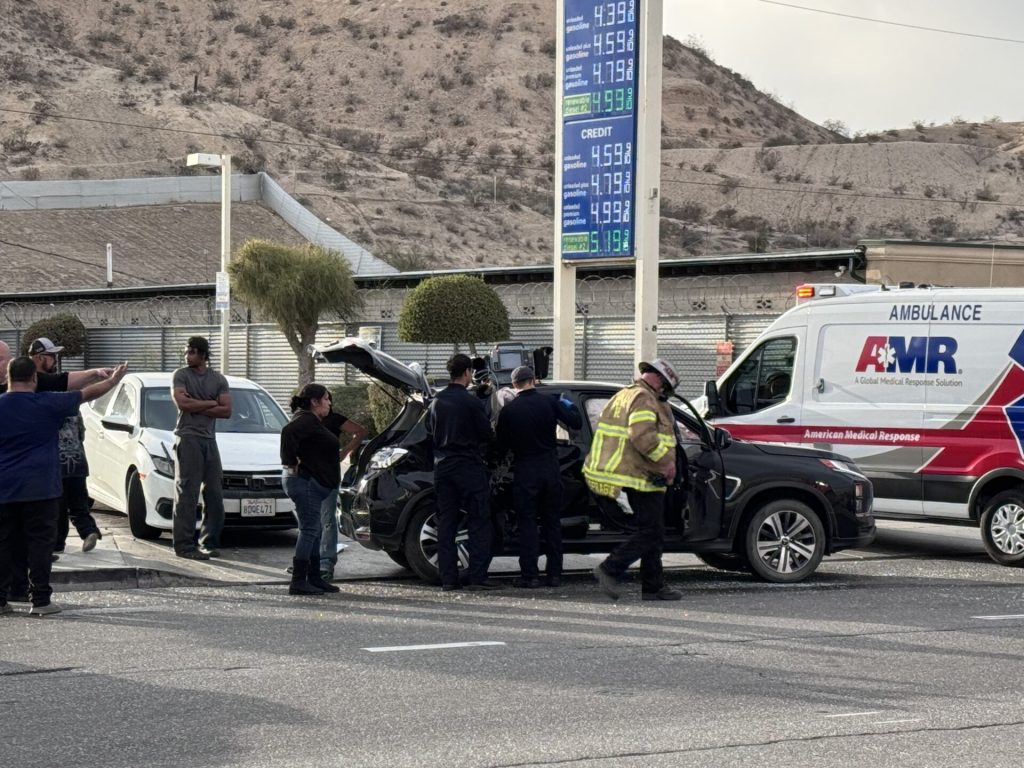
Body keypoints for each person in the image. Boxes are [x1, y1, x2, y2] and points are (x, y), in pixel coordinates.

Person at [0, 356, 128, 617]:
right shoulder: (48, 403)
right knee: (40, 544)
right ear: (35, 379)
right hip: (41, 489)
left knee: (4, 543)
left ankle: (1, 601)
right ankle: (41, 601)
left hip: (4, 489)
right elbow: (86, 393)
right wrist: (114, 380)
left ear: (8, 378)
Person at [583, 358, 684, 602]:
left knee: (653, 530)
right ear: (659, 379)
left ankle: (653, 586)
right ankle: (610, 569)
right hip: (641, 475)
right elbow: (643, 437)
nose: (663, 394)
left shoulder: (623, 394)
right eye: (664, 389)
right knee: (650, 532)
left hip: (629, 473)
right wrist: (667, 463)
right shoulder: (643, 398)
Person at [495, 366, 582, 588]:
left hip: (525, 473)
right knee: (552, 523)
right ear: (533, 380)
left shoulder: (509, 411)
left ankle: (530, 575)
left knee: (528, 525)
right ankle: (554, 574)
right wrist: (566, 403)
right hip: (551, 471)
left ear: (514, 385)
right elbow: (576, 422)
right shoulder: (550, 402)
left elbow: (501, 447)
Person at [427, 353, 499, 591]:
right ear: (467, 372)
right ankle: (477, 577)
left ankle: (448, 579)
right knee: (478, 520)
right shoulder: (470, 402)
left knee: (446, 523)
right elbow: (486, 435)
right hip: (468, 466)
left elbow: (430, 432)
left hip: (443, 468)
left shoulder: (436, 401)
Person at [29, 338, 102, 554]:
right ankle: (87, 530)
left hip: (62, 456)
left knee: (62, 503)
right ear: (39, 357)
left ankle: (58, 543)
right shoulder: (39, 384)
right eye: (51, 355)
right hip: (66, 456)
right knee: (73, 501)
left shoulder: (48, 385)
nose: (55, 360)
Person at [171, 336, 231, 561]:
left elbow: (226, 410)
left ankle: (208, 542)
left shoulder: (218, 379)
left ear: (204, 355)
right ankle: (184, 546)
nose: (188, 357)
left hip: (209, 439)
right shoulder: (181, 375)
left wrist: (197, 404)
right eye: (187, 352)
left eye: (193, 352)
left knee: (214, 492)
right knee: (187, 492)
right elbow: (182, 404)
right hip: (188, 437)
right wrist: (211, 403)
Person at [280, 383, 342, 596]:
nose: (329, 402)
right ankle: (298, 581)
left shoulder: (311, 420)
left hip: (313, 484)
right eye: (326, 398)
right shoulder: (305, 418)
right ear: (314, 401)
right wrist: (289, 462)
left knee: (314, 531)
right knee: (309, 531)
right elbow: (287, 433)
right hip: (305, 484)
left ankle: (314, 578)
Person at [317, 392, 367, 583]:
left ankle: (325, 563)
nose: (327, 403)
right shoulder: (306, 420)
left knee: (327, 518)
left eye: (328, 399)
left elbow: (361, 431)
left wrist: (346, 451)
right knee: (311, 520)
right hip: (310, 473)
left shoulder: (334, 419)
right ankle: (310, 560)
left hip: (328, 472)